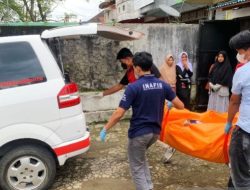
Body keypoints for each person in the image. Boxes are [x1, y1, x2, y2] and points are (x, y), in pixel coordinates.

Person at [99, 52, 184, 190]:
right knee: (141, 159)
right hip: (155, 133)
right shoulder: (163, 85)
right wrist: (169, 102)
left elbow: (119, 113)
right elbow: (181, 105)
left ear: (137, 68)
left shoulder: (133, 87)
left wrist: (105, 129)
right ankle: (149, 186)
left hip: (138, 133)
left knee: (136, 168)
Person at [225, 30, 250, 190]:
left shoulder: (243, 71)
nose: (240, 54)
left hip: (246, 131)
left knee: (241, 178)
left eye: (240, 51)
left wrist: (228, 123)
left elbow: (234, 102)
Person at [159, 54, 176, 163]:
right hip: (164, 93)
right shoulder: (161, 69)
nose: (171, 60)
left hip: (173, 92)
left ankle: (168, 146)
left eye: (172, 59)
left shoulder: (174, 68)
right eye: (169, 59)